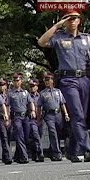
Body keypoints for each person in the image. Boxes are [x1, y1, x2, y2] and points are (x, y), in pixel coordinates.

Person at [38, 9, 90, 162]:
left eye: (75, 18)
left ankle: (73, 151)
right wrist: (57, 25)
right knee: (77, 114)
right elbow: (41, 42)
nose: (72, 21)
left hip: (85, 79)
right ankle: (87, 148)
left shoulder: (87, 39)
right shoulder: (59, 38)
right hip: (68, 81)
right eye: (69, 19)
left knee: (83, 117)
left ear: (79, 21)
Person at [37, 72, 70, 161]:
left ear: (52, 81)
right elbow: (39, 106)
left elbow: (62, 103)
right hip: (48, 115)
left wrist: (66, 114)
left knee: (58, 133)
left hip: (58, 114)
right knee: (52, 132)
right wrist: (39, 118)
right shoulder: (42, 93)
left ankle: (52, 151)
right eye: (45, 80)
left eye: (48, 80)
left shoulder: (58, 92)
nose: (47, 82)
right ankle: (57, 153)